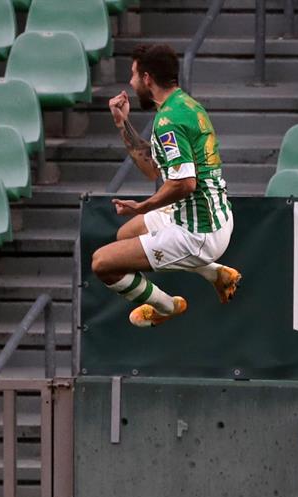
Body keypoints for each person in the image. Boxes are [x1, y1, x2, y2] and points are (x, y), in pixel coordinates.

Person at [91, 44, 241, 327]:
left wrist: (143, 206)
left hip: (199, 233)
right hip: (211, 214)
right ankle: (214, 274)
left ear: (148, 78)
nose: (131, 83)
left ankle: (166, 306)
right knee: (126, 235)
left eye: (134, 76)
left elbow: (183, 183)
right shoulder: (185, 105)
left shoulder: (168, 122)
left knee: (102, 263)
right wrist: (123, 124)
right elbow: (152, 170)